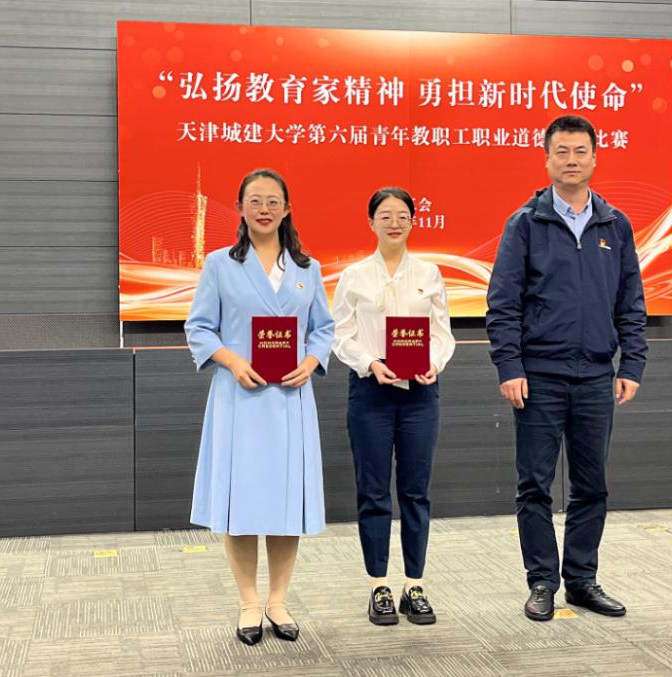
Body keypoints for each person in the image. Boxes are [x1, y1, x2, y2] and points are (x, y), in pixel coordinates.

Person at [486, 115, 648, 622]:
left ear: (595, 158)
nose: (571, 160)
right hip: (539, 376)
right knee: (534, 486)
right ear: (547, 159)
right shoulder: (525, 223)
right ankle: (542, 581)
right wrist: (509, 366)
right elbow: (503, 303)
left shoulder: (615, 224)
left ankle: (581, 580)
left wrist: (632, 362)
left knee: (591, 485)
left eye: (580, 151)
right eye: (562, 151)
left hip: (597, 375)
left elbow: (631, 301)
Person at [184, 168, 335, 646]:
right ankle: (249, 602)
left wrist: (311, 360)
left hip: (290, 399)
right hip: (240, 400)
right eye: (255, 200)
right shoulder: (219, 265)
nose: (264, 209)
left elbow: (324, 329)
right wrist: (231, 360)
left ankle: (278, 601)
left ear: (287, 209)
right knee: (242, 505)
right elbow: (199, 328)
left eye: (273, 201)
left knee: (287, 504)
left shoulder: (307, 269)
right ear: (240, 208)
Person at [331, 187, 456, 626]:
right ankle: (378, 585)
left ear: (413, 221)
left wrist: (434, 363)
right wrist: (370, 362)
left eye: (402, 215)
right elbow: (340, 335)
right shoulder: (354, 276)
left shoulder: (429, 273)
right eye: (385, 215)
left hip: (420, 394)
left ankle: (414, 585)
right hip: (371, 392)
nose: (394, 222)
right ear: (371, 222)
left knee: (416, 491)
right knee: (373, 491)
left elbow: (442, 333)